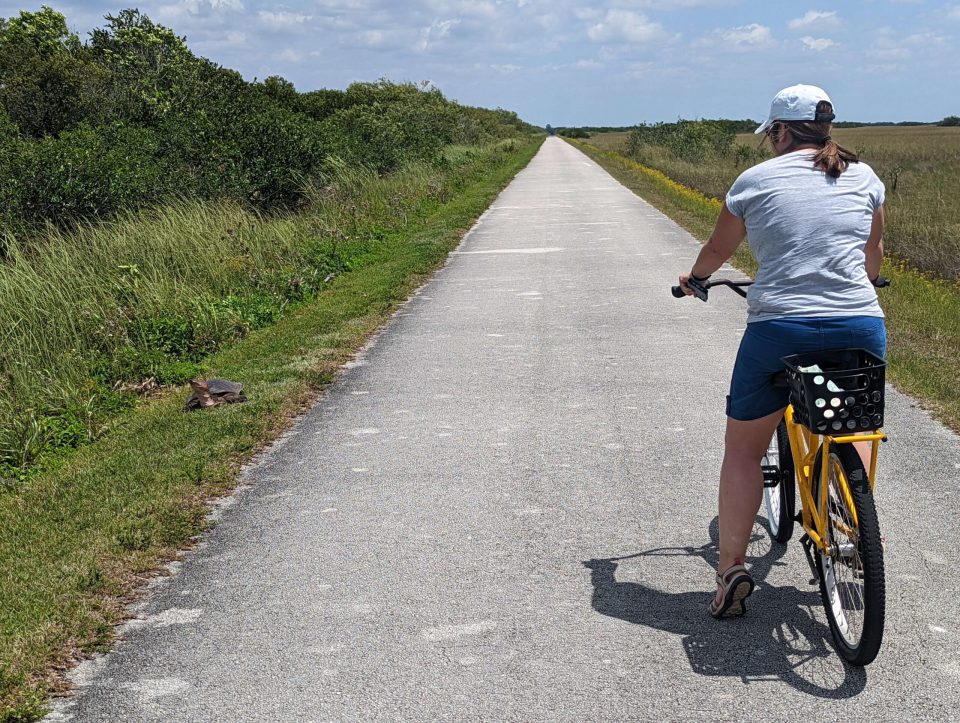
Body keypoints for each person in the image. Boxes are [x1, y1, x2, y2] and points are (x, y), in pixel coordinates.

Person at [677, 84, 887, 618]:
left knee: (745, 450)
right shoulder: (863, 175)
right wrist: (859, 285)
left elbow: (719, 249)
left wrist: (696, 279)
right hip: (858, 322)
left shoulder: (756, 180)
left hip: (781, 328)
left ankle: (730, 571)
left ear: (780, 131)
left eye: (771, 132)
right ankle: (852, 530)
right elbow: (872, 254)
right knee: (852, 424)